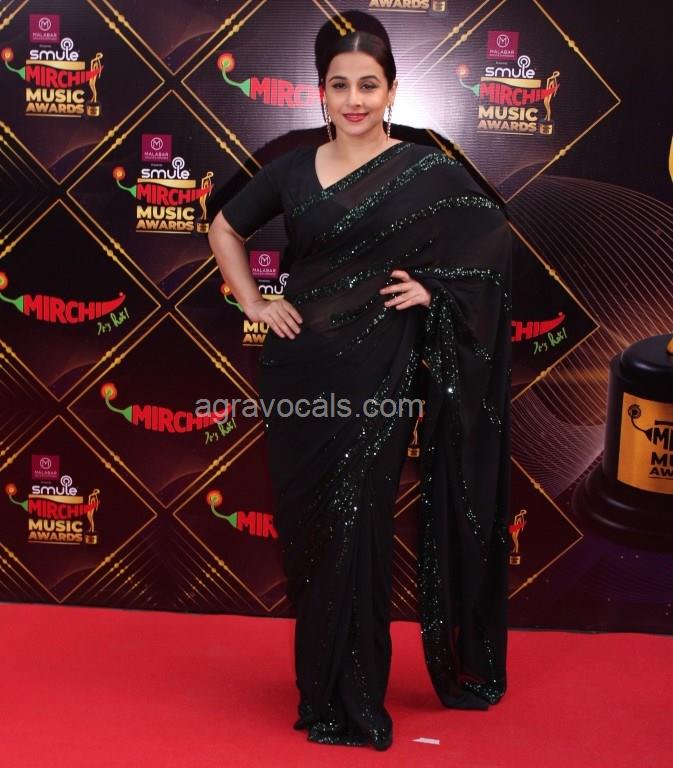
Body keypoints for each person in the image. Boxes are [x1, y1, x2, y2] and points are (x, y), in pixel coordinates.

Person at [208, 10, 511, 752]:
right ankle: (321, 692)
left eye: (368, 85)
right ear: (320, 91)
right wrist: (254, 301)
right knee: (311, 536)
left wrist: (435, 290)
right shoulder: (289, 169)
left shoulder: (426, 169)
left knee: (359, 525)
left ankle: (356, 700)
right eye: (339, 85)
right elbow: (224, 225)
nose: (354, 99)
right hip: (298, 373)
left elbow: (492, 244)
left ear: (392, 90)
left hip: (379, 376)